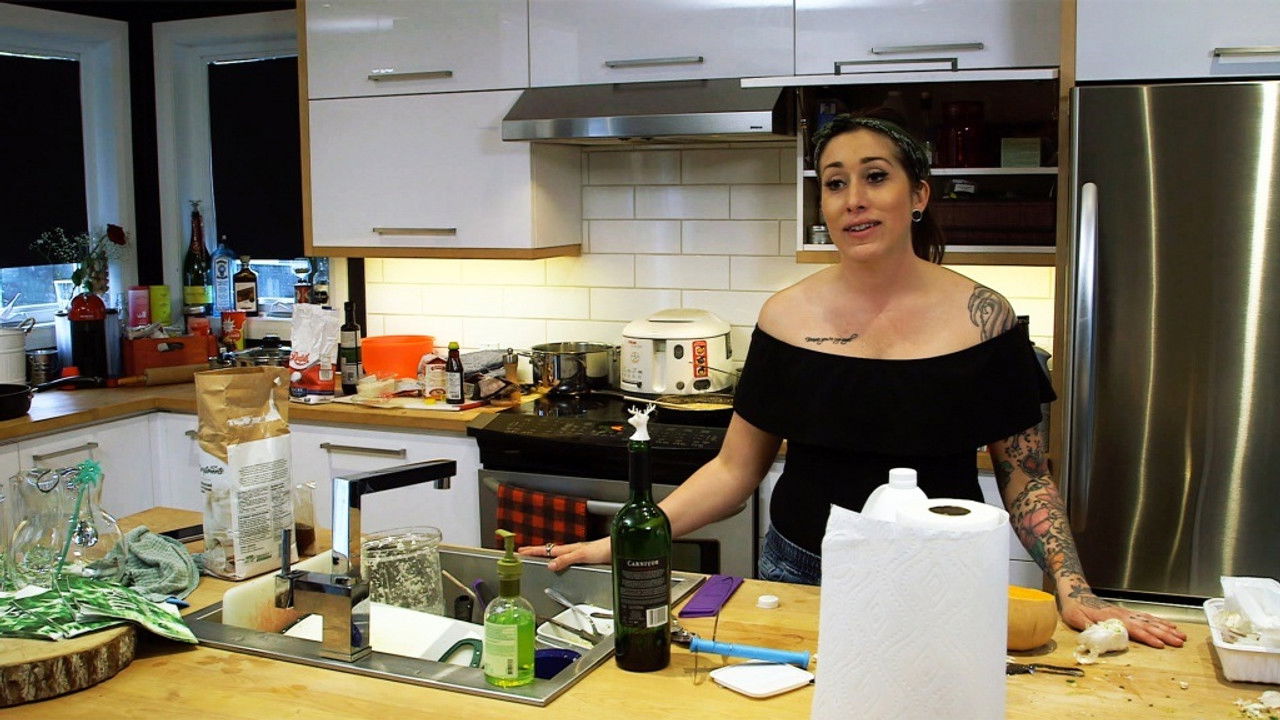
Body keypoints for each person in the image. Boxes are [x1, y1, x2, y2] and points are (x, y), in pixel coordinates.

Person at [520, 111, 1185, 650]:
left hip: (940, 574)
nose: (854, 199)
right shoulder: (786, 318)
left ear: (918, 195)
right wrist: (619, 541)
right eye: (835, 183)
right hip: (802, 576)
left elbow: (1027, 478)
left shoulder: (984, 319)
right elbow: (732, 471)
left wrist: (1074, 588)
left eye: (875, 177)